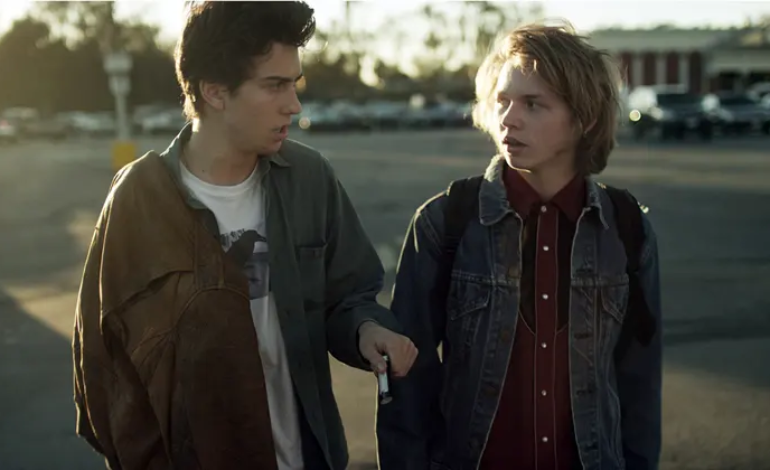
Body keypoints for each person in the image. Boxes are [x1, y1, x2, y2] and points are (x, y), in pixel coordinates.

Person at [72, 2, 417, 470]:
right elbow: (101, 366)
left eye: (294, 84)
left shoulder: (309, 178)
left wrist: (367, 329)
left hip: (307, 454)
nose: (294, 104)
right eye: (274, 85)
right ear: (215, 91)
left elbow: (348, 296)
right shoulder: (139, 200)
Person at [377, 23, 662, 470]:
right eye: (503, 101)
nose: (508, 119)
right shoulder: (445, 222)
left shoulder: (626, 229)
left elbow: (639, 382)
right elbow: (406, 382)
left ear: (584, 118)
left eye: (533, 104)